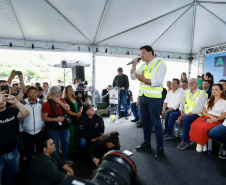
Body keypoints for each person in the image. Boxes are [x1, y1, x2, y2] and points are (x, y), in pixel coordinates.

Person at [130, 45, 167, 160]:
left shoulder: (160, 63)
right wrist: (134, 65)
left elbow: (158, 82)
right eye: (140, 53)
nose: (141, 55)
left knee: (156, 123)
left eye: (143, 53)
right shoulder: (142, 65)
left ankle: (160, 148)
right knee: (145, 121)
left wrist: (143, 79)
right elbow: (132, 77)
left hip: (154, 98)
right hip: (142, 97)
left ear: (150, 52)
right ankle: (147, 143)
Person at [0, 80, 30, 185]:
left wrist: (16, 102)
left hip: (13, 152)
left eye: (4, 96)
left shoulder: (11, 111)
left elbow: (26, 113)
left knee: (12, 176)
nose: (2, 99)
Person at [164, 78, 208, 149]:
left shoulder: (201, 93)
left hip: (196, 114)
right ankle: (169, 134)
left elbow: (198, 108)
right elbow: (181, 104)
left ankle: (185, 141)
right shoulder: (186, 92)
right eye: (189, 83)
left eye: (192, 83)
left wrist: (184, 115)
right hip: (184, 112)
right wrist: (181, 113)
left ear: (197, 84)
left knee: (186, 119)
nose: (190, 85)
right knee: (172, 115)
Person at [190, 84, 226, 152]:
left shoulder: (224, 102)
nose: (214, 91)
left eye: (216, 89)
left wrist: (215, 119)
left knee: (203, 128)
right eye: (213, 89)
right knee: (194, 125)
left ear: (221, 91)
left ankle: (200, 143)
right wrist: (210, 116)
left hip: (217, 119)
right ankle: (202, 143)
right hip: (207, 116)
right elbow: (204, 112)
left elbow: (224, 115)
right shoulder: (208, 100)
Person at [42, 86, 70, 160]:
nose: (61, 93)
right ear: (54, 94)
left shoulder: (61, 99)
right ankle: (56, 162)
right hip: (53, 128)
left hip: (64, 126)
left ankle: (64, 160)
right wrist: (56, 119)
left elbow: (68, 108)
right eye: (59, 92)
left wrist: (59, 102)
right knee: (55, 146)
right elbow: (44, 118)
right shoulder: (46, 104)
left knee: (66, 143)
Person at [20, 86, 45, 163]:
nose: (33, 94)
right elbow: (19, 117)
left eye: (35, 92)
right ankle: (30, 166)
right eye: (31, 92)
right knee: (28, 150)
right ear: (27, 94)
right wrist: (21, 128)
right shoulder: (22, 103)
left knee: (40, 149)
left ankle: (39, 164)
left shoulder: (41, 102)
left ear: (37, 93)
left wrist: (43, 125)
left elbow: (43, 115)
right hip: (27, 131)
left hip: (39, 130)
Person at [63, 85, 83, 154]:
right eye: (69, 90)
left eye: (72, 89)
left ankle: (77, 149)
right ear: (66, 91)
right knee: (71, 137)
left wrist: (80, 111)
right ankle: (71, 151)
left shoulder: (75, 98)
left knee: (78, 135)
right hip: (71, 120)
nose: (71, 90)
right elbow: (66, 111)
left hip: (79, 119)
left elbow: (81, 105)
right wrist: (75, 114)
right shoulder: (65, 100)